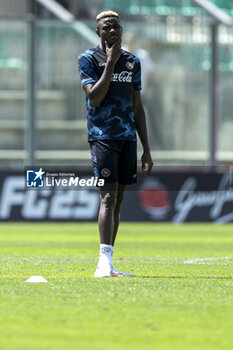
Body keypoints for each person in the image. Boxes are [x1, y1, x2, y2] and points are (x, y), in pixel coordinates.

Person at [78, 10, 153, 277]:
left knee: (119, 199)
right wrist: (110, 63)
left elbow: (137, 106)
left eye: (116, 27)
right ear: (98, 32)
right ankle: (102, 264)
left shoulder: (132, 62)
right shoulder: (88, 59)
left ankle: (108, 262)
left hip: (127, 138)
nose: (113, 31)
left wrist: (146, 148)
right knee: (107, 196)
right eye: (107, 28)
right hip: (102, 137)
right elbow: (95, 98)